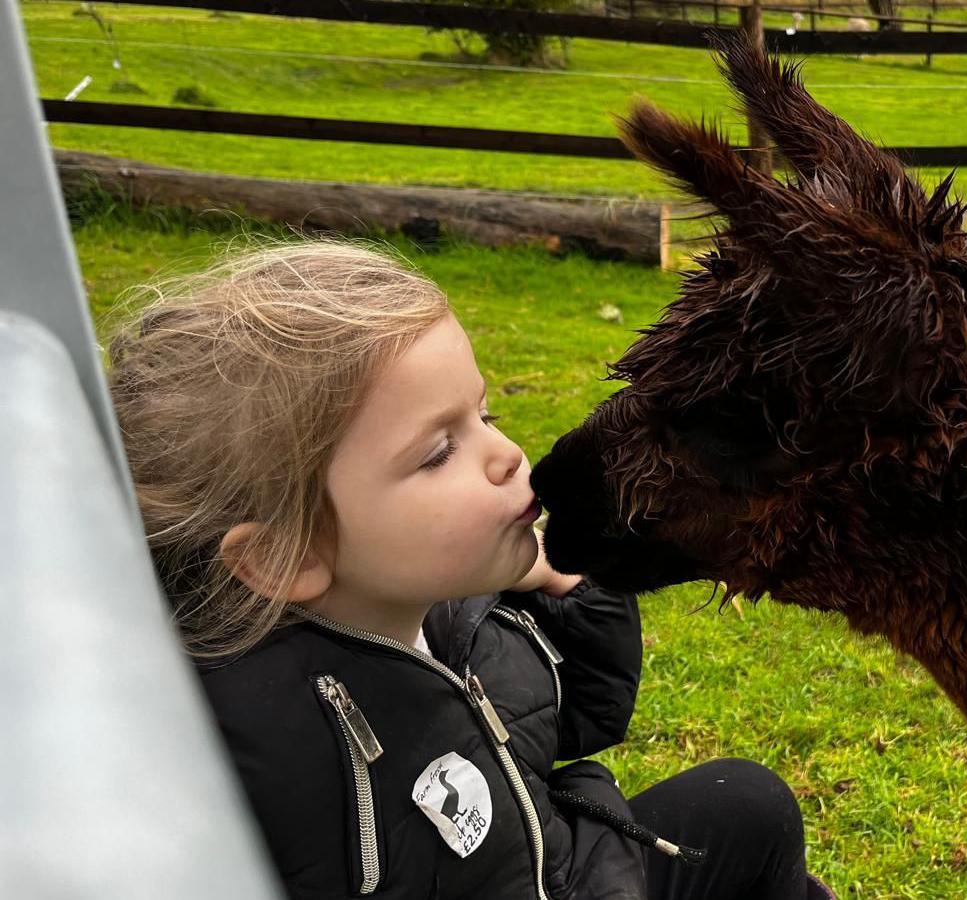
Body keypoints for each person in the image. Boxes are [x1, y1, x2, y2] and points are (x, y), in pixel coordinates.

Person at [106, 240, 834, 900]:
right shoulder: (256, 750)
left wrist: (569, 587)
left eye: (482, 414)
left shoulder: (453, 611)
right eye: (436, 453)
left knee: (750, 806)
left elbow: (581, 719)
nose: (508, 454)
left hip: (563, 871)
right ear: (284, 557)